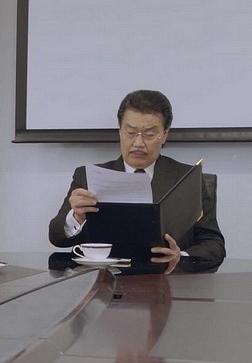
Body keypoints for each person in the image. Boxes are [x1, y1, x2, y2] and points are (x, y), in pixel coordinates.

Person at [48, 89, 225, 270]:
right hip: (104, 281)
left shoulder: (186, 178)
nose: (138, 143)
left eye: (149, 134)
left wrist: (180, 256)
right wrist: (76, 217)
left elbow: (214, 245)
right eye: (131, 132)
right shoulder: (89, 177)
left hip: (168, 281)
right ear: (120, 130)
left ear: (164, 134)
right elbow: (57, 238)